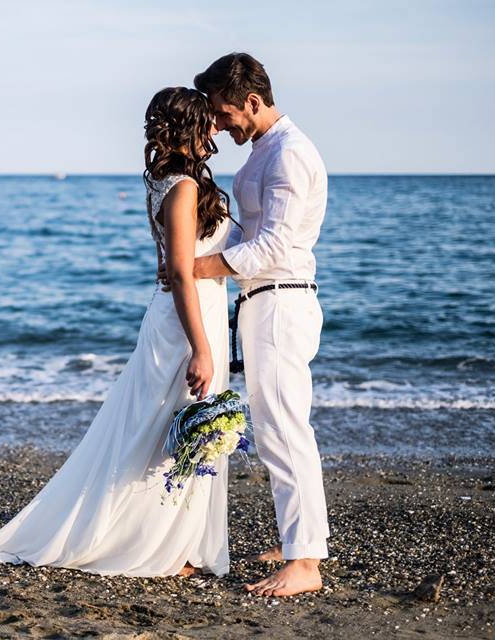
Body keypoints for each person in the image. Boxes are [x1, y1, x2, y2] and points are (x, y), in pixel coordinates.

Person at [0, 87, 236, 577]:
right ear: (190, 127)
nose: (216, 128)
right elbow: (177, 271)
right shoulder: (183, 187)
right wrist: (202, 348)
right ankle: (155, 548)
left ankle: (173, 544)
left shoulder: (167, 181)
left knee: (167, 429)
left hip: (184, 315)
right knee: (160, 432)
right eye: (208, 121)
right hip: (184, 324)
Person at [161, 52, 330, 597]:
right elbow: (246, 234)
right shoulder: (264, 153)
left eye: (224, 112)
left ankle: (305, 562)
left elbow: (276, 244)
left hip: (281, 300)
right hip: (261, 302)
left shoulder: (289, 155)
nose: (219, 124)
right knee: (274, 426)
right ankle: (295, 540)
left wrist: (196, 267)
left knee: (284, 429)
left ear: (252, 102)